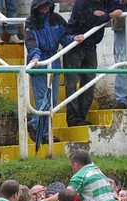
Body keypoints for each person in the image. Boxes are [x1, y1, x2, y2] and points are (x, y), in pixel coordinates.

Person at [24, 0, 84, 141]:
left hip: (54, 63)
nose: (45, 10)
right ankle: (43, 133)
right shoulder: (30, 22)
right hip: (39, 65)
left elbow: (64, 36)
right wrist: (35, 57)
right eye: (42, 8)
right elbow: (31, 42)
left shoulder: (56, 18)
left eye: (47, 7)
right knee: (42, 100)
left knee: (53, 101)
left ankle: (36, 125)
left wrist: (72, 39)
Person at [64, 0, 123, 127]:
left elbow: (118, 8)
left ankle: (81, 115)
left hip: (90, 44)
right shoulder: (82, 3)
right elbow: (89, 21)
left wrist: (104, 14)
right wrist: (109, 15)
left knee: (89, 82)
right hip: (75, 44)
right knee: (72, 83)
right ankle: (73, 118)